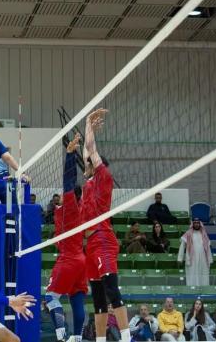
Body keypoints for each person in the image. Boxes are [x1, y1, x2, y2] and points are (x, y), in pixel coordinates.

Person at [81, 109, 131, 342]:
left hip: (102, 239)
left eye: (90, 163)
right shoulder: (89, 180)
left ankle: (126, 337)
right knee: (98, 298)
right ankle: (100, 340)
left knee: (112, 291)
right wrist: (86, 124)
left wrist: (90, 124)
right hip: (89, 244)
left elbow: (91, 149)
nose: (87, 164)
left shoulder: (103, 178)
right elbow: (86, 152)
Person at [45, 134, 87, 342]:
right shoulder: (75, 208)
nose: (61, 195)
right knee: (76, 300)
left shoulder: (71, 207)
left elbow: (68, 181)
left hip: (69, 258)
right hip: (80, 261)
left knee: (50, 297)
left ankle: (61, 334)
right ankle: (77, 338)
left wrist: (70, 154)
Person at [178, 218, 212, 286]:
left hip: (203, 259)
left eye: (198, 223)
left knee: (203, 275)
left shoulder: (204, 234)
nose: (196, 224)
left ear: (200, 224)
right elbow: (182, 246)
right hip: (192, 259)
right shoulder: (188, 234)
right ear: (193, 224)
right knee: (192, 275)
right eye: (195, 223)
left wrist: (210, 259)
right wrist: (180, 258)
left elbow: (208, 248)